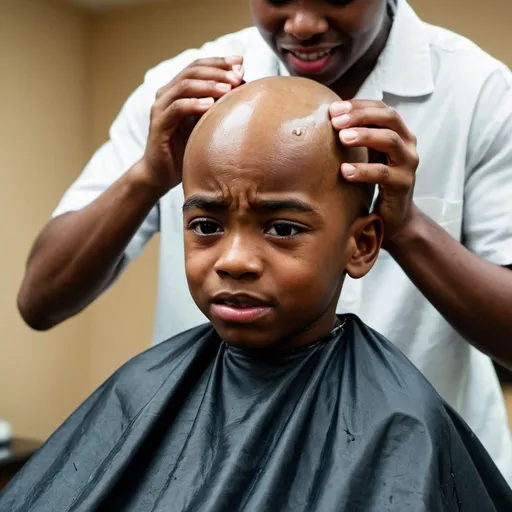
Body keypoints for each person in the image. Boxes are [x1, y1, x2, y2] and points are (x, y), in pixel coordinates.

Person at [16, 0, 512, 482]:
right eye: (208, 225)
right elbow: (40, 300)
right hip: (205, 463)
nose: (301, 24)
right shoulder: (181, 91)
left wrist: (408, 230)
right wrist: (147, 175)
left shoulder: (478, 93)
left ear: (365, 244)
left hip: (409, 471)